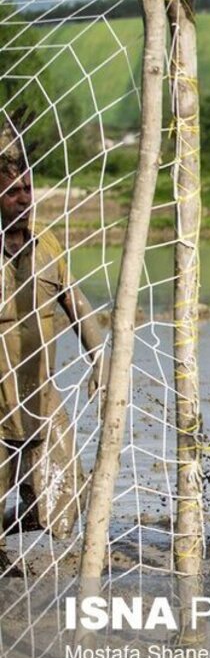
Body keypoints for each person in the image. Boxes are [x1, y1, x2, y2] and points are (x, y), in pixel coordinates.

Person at [0, 126, 106, 568]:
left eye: (28, 189)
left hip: (41, 397)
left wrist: (99, 356)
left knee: (64, 502)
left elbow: (75, 302)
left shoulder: (47, 243)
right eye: (13, 193)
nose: (25, 199)